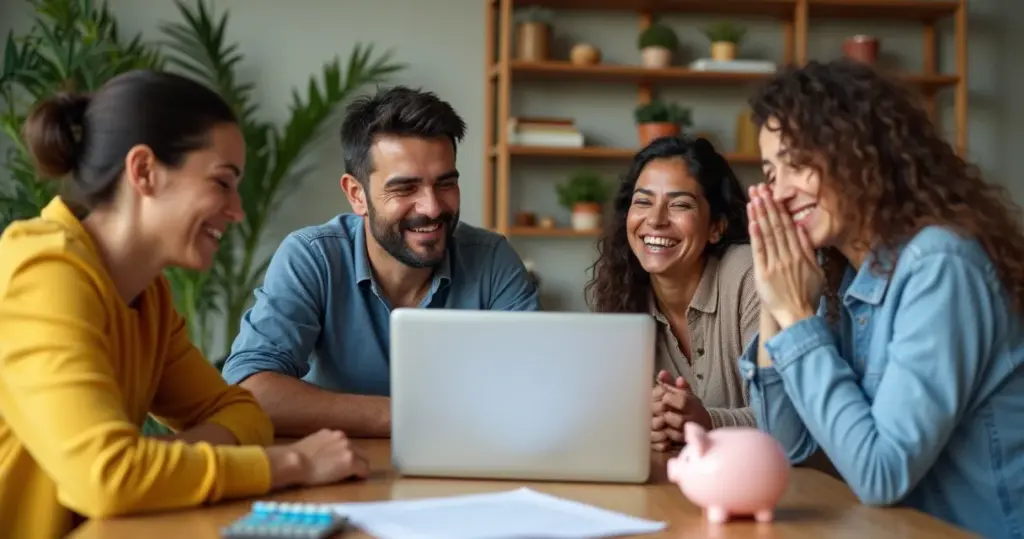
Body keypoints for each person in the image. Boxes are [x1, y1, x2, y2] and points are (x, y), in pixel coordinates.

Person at [0, 71, 369, 539]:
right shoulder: (44, 271)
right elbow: (106, 478)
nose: (237, 210)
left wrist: (158, 464)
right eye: (222, 182)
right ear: (144, 172)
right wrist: (291, 462)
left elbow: (245, 413)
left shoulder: (148, 297)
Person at [739, 59, 1024, 539]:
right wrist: (774, 299)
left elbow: (880, 474)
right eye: (770, 172)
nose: (780, 191)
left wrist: (795, 313)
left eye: (799, 163)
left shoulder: (940, 265)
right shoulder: (848, 278)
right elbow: (788, 450)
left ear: (862, 154)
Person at [221, 86, 540, 438]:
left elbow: (534, 391)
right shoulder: (312, 257)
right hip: (337, 474)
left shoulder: (492, 259)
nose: (432, 208)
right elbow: (252, 391)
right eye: (405, 189)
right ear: (356, 194)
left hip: (458, 469)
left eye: (445, 183)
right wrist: (402, 417)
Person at [585, 135, 759, 453]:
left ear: (716, 227)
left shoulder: (749, 275)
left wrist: (708, 423)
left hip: (785, 488)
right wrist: (643, 424)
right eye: (643, 201)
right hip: (685, 487)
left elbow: (789, 421)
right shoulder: (621, 294)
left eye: (679, 204)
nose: (656, 219)